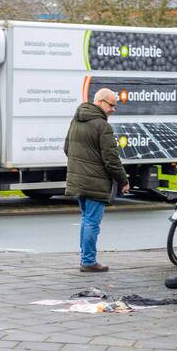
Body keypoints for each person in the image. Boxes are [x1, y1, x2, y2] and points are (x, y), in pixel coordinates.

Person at [64, 88, 130, 273]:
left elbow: (67, 147)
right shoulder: (102, 126)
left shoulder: (76, 119)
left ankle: (86, 258)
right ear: (100, 101)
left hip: (78, 179)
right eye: (111, 105)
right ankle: (88, 261)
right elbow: (111, 159)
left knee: (86, 219)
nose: (113, 110)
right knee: (92, 222)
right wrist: (123, 180)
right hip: (95, 181)